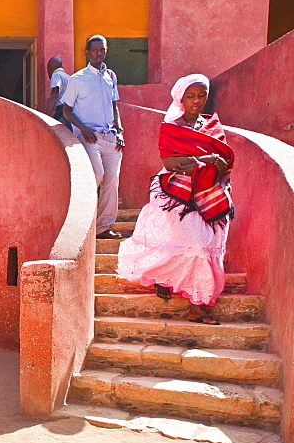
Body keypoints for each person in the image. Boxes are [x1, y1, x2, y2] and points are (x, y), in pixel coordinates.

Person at [116, 74, 234, 324]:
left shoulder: (211, 126)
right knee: (188, 242)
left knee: (204, 243)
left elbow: (225, 162)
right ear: (181, 98)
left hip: (209, 192)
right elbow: (171, 163)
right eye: (191, 96)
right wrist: (209, 161)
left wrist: (207, 166)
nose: (197, 101)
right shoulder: (172, 126)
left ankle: (195, 303)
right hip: (176, 193)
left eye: (202, 95)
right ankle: (180, 293)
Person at [61, 35, 123, 238]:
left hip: (111, 137)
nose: (99, 53)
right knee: (95, 176)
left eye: (102, 49)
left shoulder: (110, 77)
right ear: (87, 53)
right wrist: (83, 128)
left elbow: (115, 107)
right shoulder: (77, 80)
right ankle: (81, 226)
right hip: (90, 138)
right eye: (95, 50)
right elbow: (66, 112)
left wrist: (120, 131)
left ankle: (104, 227)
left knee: (112, 182)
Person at [45, 56, 72, 130]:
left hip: (61, 110)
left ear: (50, 68)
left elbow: (54, 95)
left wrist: (46, 115)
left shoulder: (56, 75)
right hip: (71, 110)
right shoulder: (69, 78)